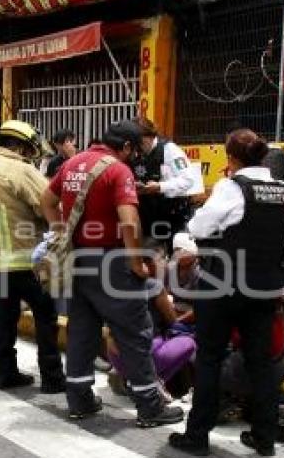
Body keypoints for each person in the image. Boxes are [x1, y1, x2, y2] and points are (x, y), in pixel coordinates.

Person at [41, 120, 185, 428]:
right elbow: (129, 221)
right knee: (135, 331)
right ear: (128, 147)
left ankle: (79, 400)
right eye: (135, 151)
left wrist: (61, 232)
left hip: (78, 259)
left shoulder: (73, 163)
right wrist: (135, 262)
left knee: (82, 330)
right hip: (111, 262)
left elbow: (46, 200)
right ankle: (150, 406)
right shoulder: (119, 170)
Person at [168, 128, 284, 458]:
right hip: (265, 285)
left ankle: (197, 435)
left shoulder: (232, 186)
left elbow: (198, 228)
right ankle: (264, 437)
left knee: (210, 356)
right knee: (262, 361)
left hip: (223, 285)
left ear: (231, 159)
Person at [0, 120, 65, 392]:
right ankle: (53, 378)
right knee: (45, 315)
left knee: (4, 316)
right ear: (22, 146)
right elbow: (47, 204)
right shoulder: (21, 170)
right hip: (26, 257)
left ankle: (5, 372)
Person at [106, 239, 197, 402]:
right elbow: (173, 321)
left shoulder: (118, 285)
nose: (166, 261)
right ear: (149, 262)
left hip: (115, 355)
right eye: (162, 258)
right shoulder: (155, 286)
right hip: (145, 356)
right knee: (190, 342)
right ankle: (154, 382)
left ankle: (136, 382)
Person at [128, 117, 199, 245]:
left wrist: (160, 186)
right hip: (146, 215)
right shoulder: (134, 153)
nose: (138, 147)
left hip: (172, 214)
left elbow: (188, 180)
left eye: (140, 142)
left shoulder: (169, 150)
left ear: (149, 136)